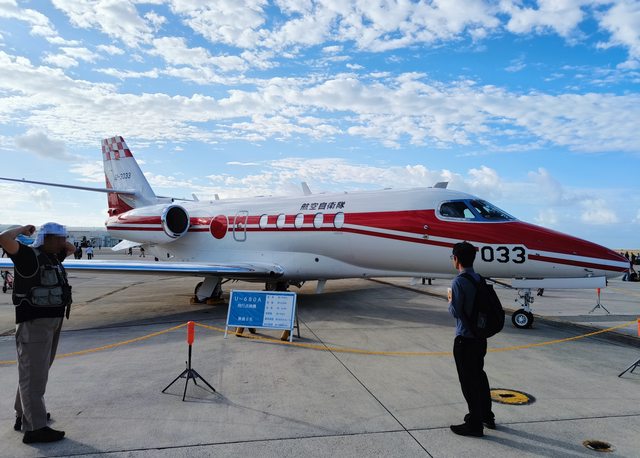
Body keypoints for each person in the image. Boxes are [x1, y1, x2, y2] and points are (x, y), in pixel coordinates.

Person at [0, 223, 75, 444]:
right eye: (59, 238)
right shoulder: (27, 256)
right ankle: (35, 428)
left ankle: (24, 414)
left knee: (35, 373)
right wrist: (22, 229)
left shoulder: (53, 257)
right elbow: (3, 238)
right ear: (47, 238)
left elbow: (71, 248)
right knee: (34, 376)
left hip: (51, 322)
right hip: (34, 324)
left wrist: (57, 238)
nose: (64, 242)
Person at [448, 241, 495, 437]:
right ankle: (487, 416)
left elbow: (455, 312)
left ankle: (474, 424)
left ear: (456, 259)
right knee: (480, 377)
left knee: (468, 382)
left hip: (465, 339)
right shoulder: (479, 278)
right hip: (480, 338)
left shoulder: (458, 282)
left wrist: (450, 300)